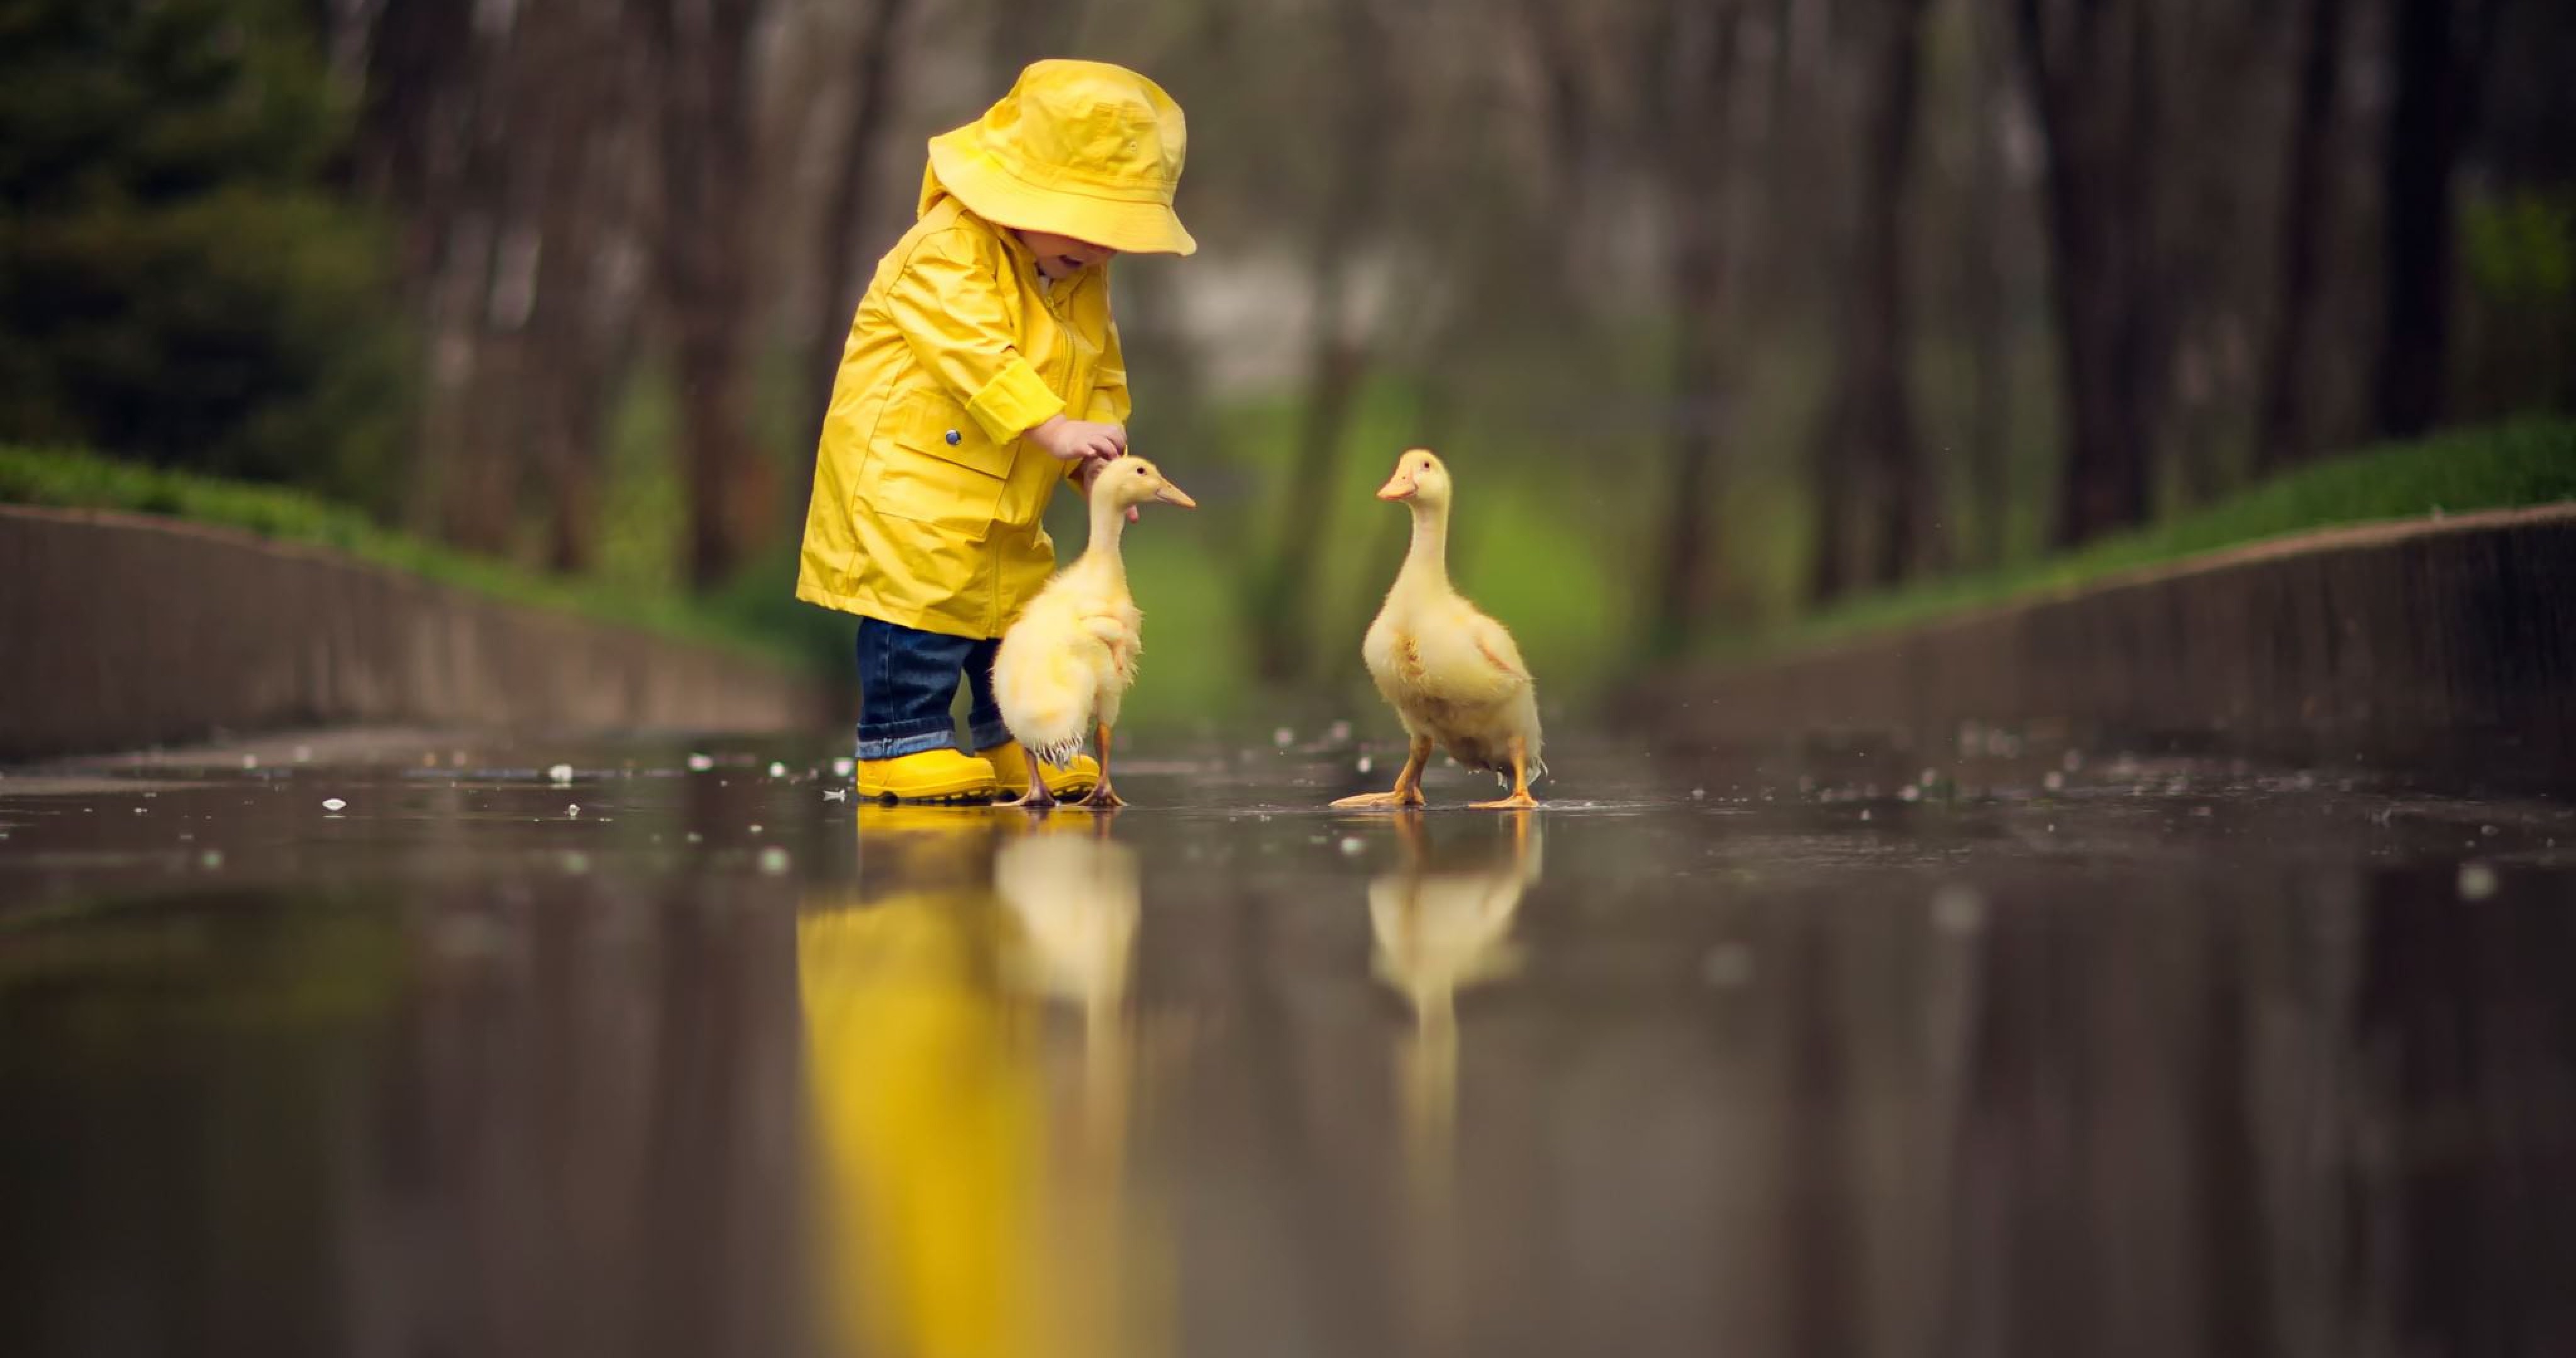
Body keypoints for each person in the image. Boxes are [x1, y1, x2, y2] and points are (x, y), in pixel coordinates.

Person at [796, 60, 1194, 802]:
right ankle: (898, 743)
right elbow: (974, 350)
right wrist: (1049, 424)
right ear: (1016, 190)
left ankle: (1023, 741)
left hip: (1010, 489)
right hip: (912, 485)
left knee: (1018, 621)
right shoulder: (944, 250)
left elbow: (1101, 370)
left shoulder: (1075, 277)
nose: (1100, 251)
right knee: (919, 612)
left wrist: (1094, 456)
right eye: (1086, 225)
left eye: (1116, 236)